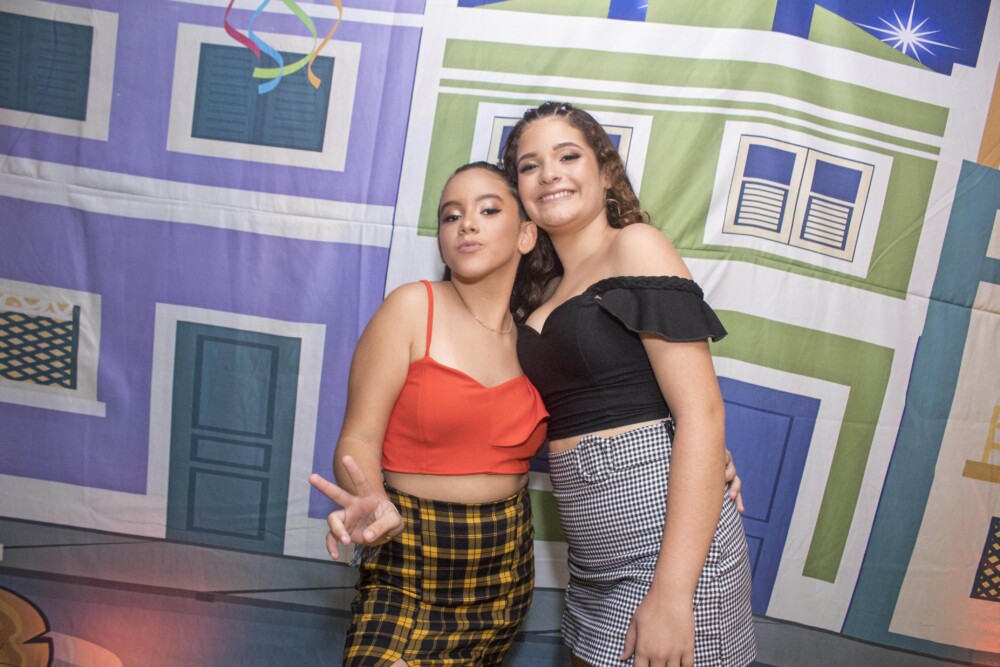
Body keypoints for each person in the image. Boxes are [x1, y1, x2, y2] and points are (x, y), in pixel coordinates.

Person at [502, 102, 756, 667]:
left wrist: (673, 594)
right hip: (589, 560)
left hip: (667, 553)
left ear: (606, 172)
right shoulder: (539, 293)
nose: (549, 174)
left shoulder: (635, 244)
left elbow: (702, 413)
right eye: (529, 165)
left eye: (568, 156)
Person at [308, 162, 548, 666]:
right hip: (409, 570)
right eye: (451, 216)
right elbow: (357, 440)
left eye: (488, 210)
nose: (467, 224)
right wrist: (371, 499)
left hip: (503, 581)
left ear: (527, 235)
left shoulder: (536, 338)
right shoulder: (412, 308)